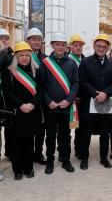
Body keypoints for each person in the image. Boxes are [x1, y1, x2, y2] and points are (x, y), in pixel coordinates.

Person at [1, 41, 42, 180]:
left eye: (27, 55)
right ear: (16, 57)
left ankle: (28, 168)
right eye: (21, 55)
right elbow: (7, 92)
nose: (25, 58)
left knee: (29, 142)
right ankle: (17, 170)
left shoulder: (36, 71)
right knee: (15, 142)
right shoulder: (9, 71)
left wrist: (32, 104)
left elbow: (40, 91)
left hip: (32, 111)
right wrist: (21, 105)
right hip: (16, 112)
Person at [39, 33, 78, 174]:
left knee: (65, 135)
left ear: (66, 46)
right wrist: (49, 101)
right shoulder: (45, 63)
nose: (60, 47)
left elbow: (75, 83)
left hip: (65, 106)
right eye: (57, 44)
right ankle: (50, 160)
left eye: (62, 44)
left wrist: (68, 100)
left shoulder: (72, 63)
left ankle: (65, 159)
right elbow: (41, 86)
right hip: (50, 107)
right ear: (52, 45)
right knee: (50, 135)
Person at [79, 34, 112, 170]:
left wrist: (106, 93)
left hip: (106, 103)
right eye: (99, 46)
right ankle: (84, 158)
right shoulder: (85, 62)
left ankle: (104, 158)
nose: (101, 48)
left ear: (108, 48)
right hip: (89, 102)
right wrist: (96, 93)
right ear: (94, 46)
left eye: (104, 46)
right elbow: (82, 81)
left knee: (105, 133)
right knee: (86, 133)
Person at [26, 27, 47, 165]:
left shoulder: (45, 59)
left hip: (42, 100)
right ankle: (26, 155)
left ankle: (38, 154)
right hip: (26, 100)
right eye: (34, 39)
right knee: (26, 129)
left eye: (39, 40)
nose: (37, 42)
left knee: (41, 129)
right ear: (27, 40)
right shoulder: (21, 56)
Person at [67, 34, 85, 160]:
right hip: (70, 99)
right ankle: (64, 151)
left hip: (82, 99)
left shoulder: (85, 61)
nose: (78, 48)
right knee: (67, 127)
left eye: (80, 46)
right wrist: (72, 97)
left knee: (81, 127)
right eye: (75, 45)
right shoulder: (67, 60)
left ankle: (78, 149)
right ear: (70, 46)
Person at [0, 28, 13, 181]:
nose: (4, 40)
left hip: (8, 101)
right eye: (1, 38)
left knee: (10, 130)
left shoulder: (11, 55)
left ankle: (10, 153)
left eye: (6, 38)